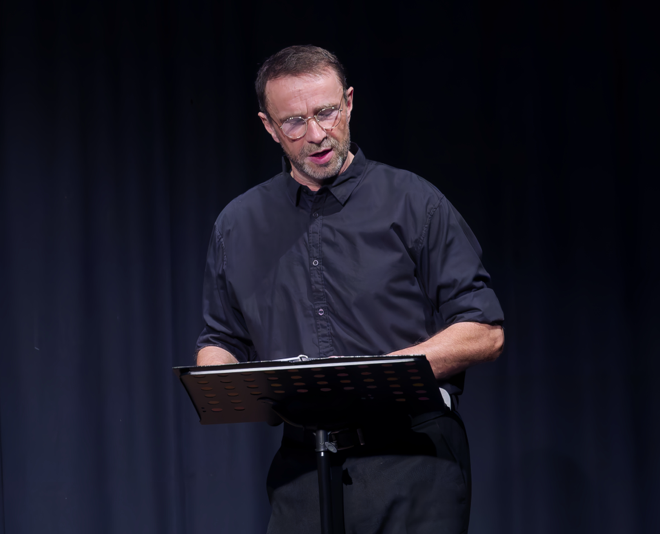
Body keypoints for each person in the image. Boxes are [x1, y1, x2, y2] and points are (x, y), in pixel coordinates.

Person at [195, 45, 504, 534]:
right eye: (294, 122)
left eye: (326, 112)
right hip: (301, 467)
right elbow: (222, 339)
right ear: (269, 127)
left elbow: (484, 329)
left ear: (350, 102)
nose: (317, 134)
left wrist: (383, 374)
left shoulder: (413, 201)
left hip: (413, 456)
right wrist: (219, 381)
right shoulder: (237, 224)